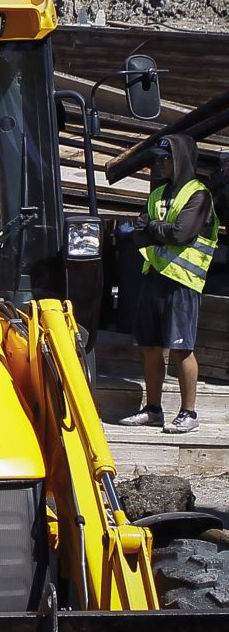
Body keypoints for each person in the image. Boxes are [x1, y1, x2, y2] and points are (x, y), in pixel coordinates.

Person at [118, 133, 219, 434]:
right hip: (154, 276)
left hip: (182, 281)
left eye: (165, 158)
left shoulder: (199, 195)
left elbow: (180, 234)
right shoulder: (158, 194)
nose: (160, 164)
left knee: (181, 348)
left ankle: (189, 413)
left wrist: (152, 227)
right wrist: (156, 229)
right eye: (158, 159)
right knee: (150, 346)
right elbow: (138, 233)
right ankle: (153, 410)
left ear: (180, 160)